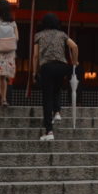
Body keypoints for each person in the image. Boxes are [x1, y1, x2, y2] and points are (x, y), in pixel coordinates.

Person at [32, 12, 79, 141]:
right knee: (57, 88)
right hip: (62, 66)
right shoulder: (62, 34)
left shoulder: (39, 35)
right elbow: (74, 46)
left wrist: (34, 72)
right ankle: (57, 112)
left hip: (47, 67)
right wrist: (74, 62)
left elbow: (36, 56)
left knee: (47, 98)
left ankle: (49, 131)